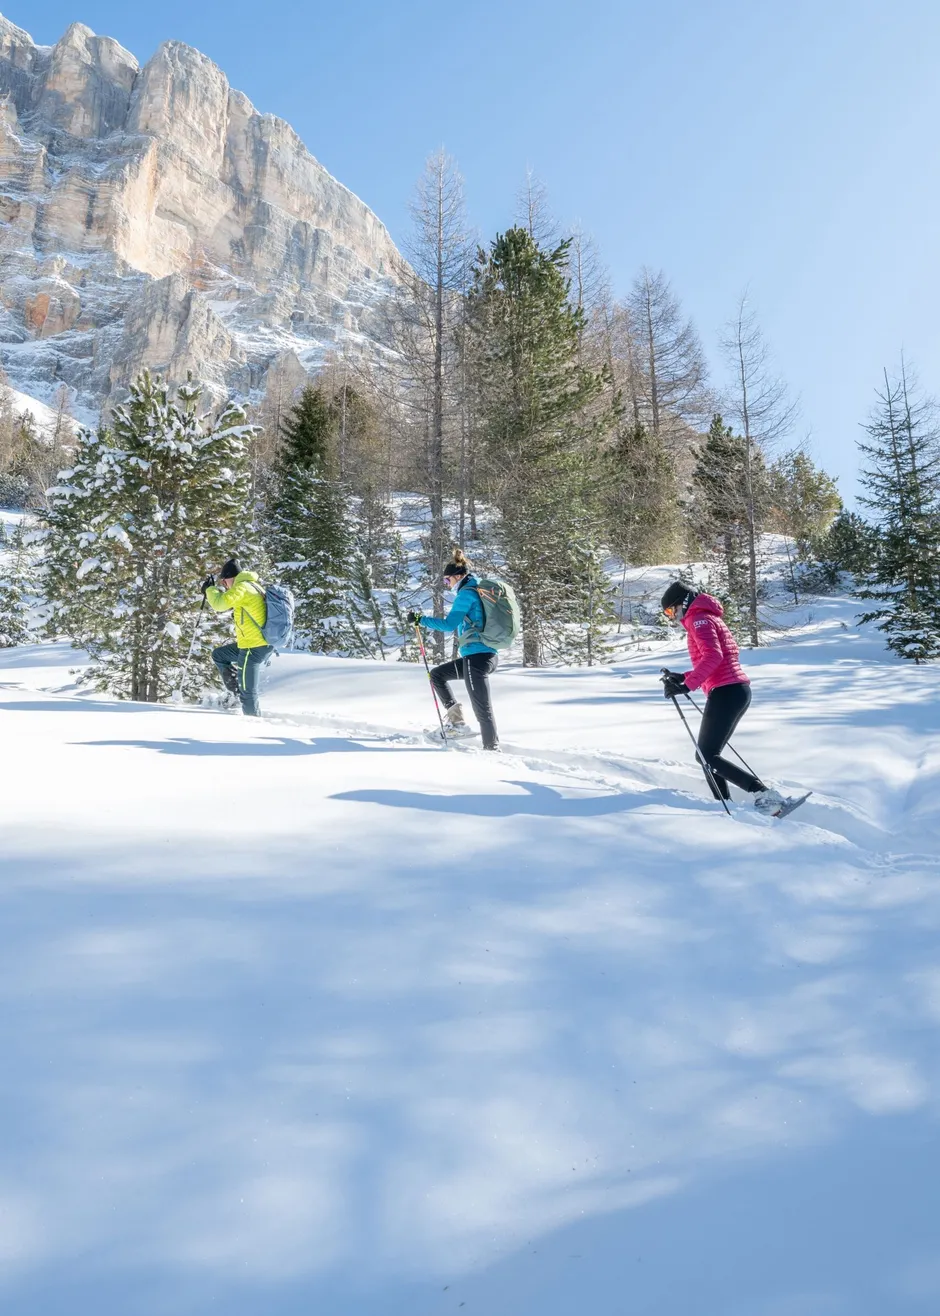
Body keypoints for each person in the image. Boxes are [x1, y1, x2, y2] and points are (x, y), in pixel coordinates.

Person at [660, 581, 783, 814]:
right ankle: (726, 806)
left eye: (670, 610)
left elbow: (713, 657)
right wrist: (682, 676)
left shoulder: (698, 620)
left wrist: (688, 685)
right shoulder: (707, 618)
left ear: (682, 603)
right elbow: (718, 661)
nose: (671, 616)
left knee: (706, 755)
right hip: (733, 690)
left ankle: (764, 794)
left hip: (726, 691)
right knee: (707, 756)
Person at [406, 548, 500, 750]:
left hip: (478, 659)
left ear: (458, 576)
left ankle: (491, 748)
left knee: (482, 708)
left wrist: (421, 620)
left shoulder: (466, 595)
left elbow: (449, 625)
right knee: (437, 675)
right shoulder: (475, 590)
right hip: (479, 657)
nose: (446, 585)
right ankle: (457, 723)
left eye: (447, 580)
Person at [203, 558, 272, 717]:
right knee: (219, 655)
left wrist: (210, 590)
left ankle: (252, 723)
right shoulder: (252, 585)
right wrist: (215, 591)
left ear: (230, 577)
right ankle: (235, 692)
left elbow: (219, 605)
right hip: (256, 643)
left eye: (224, 582)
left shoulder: (242, 587)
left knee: (248, 692)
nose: (224, 585)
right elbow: (229, 599)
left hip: (253, 647)